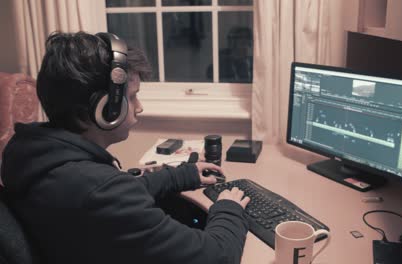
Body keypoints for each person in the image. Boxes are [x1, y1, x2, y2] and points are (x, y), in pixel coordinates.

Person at [0, 31, 250, 264]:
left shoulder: (30, 154)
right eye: (132, 97)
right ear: (103, 110)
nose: (139, 107)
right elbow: (218, 257)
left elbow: (118, 191)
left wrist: (184, 175)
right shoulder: (98, 191)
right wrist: (228, 208)